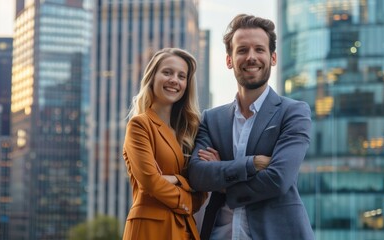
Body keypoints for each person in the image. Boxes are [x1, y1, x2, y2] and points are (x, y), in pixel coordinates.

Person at [188, 14, 315, 240]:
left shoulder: (294, 112)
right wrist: (251, 164)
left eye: (259, 49)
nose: (251, 57)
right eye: (242, 50)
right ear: (229, 60)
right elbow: (197, 175)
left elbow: (278, 179)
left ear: (273, 58)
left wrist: (223, 183)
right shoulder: (211, 119)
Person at [122, 48, 208, 240]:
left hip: (186, 231)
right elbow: (151, 183)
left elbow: (201, 192)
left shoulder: (189, 132)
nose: (174, 80)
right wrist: (187, 193)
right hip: (150, 230)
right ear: (152, 77)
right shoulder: (140, 125)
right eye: (167, 72)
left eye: (181, 76)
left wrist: (177, 179)